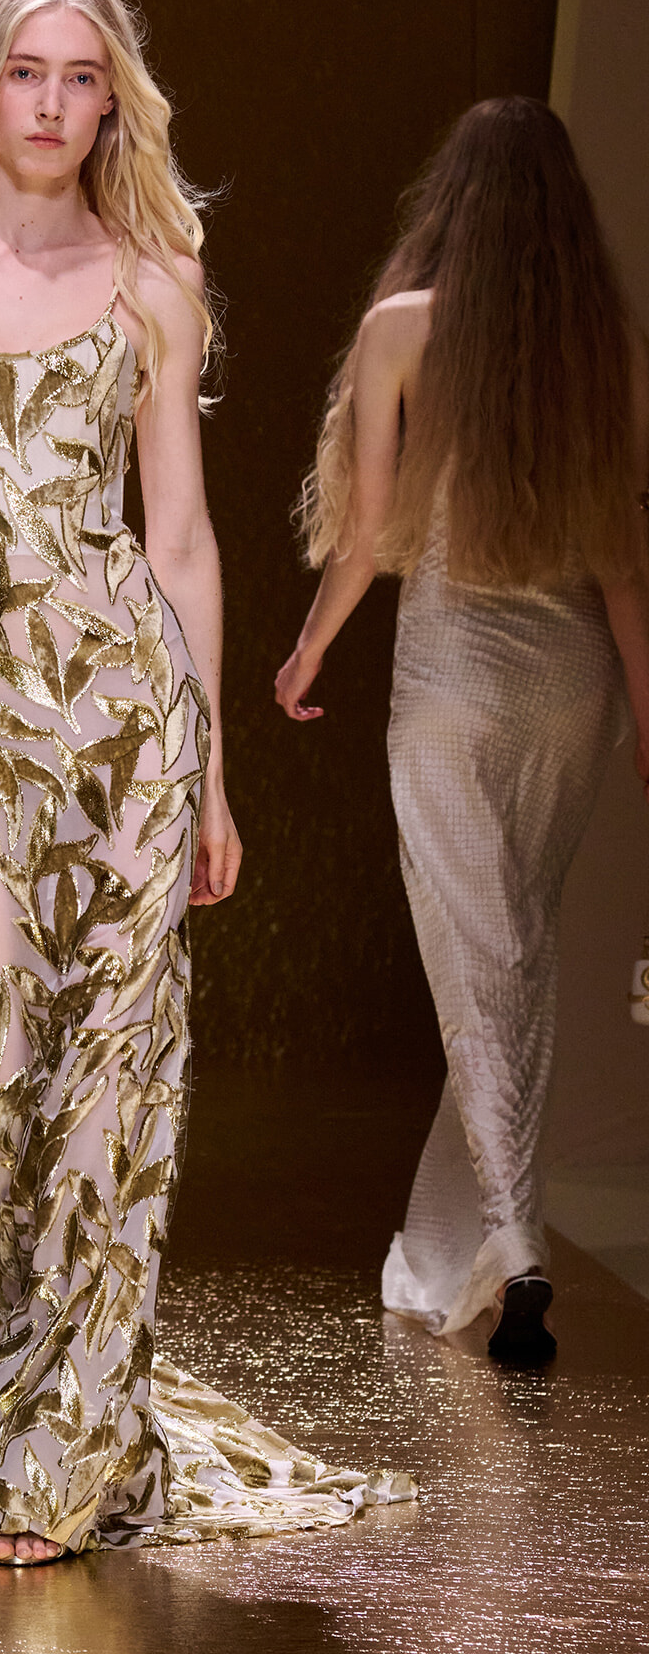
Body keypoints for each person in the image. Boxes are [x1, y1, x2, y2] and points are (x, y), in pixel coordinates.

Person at [0, 0, 412, 1560]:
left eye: (82, 77)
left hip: (127, 718)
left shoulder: (153, 278)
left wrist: (207, 774)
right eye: (27, 72)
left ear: (112, 97)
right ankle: (33, 1404)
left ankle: (49, 1465)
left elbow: (180, 535)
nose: (52, 105)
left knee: (112, 1084)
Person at [276, 97, 649, 1362]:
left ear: (456, 205)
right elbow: (627, 569)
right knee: (515, 951)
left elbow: (375, 535)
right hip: (570, 687)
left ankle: (515, 1238)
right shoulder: (610, 351)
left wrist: (312, 643)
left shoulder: (401, 333)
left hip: (446, 679)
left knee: (474, 953)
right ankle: (481, 1239)